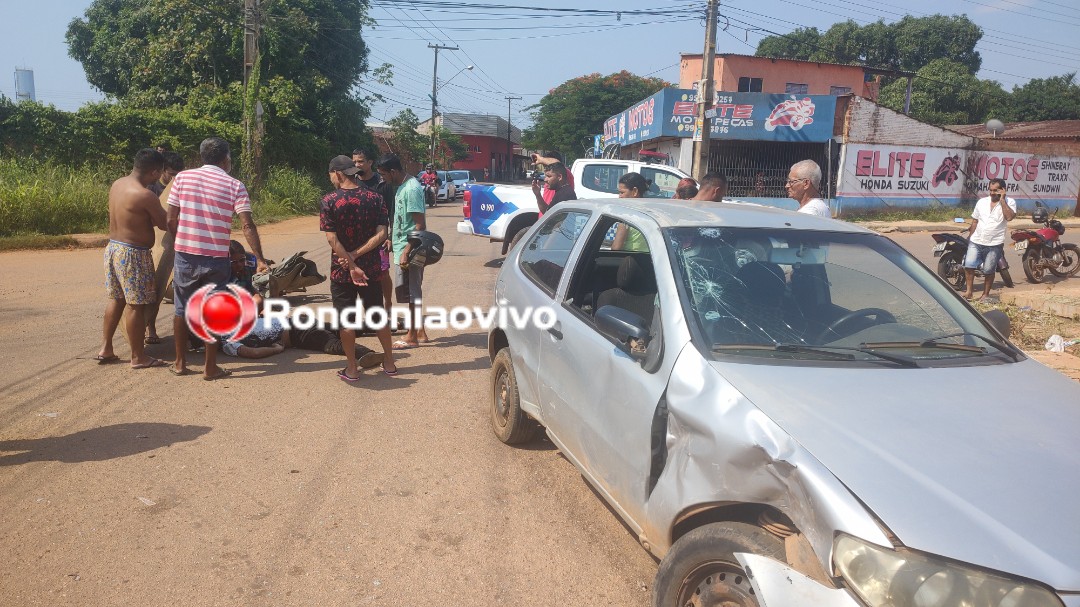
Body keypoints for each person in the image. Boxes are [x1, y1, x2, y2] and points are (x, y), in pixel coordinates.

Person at [167, 136, 269, 380]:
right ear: (226, 159)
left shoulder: (182, 178)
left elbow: (171, 219)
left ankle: (180, 363)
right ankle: (210, 367)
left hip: (185, 255)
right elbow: (247, 226)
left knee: (181, 309)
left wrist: (182, 239)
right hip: (216, 257)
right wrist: (260, 258)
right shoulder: (235, 185)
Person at [320, 155, 397, 381]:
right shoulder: (374, 198)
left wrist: (350, 261)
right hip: (371, 269)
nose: (331, 179)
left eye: (331, 175)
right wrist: (357, 257)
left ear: (338, 174)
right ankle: (390, 363)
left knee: (346, 320)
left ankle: (352, 368)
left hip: (342, 270)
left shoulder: (329, 200)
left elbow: (332, 239)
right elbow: (382, 234)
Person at [96, 148, 168, 369]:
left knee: (116, 299)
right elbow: (164, 224)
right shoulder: (145, 195)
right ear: (155, 172)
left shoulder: (118, 184)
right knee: (136, 306)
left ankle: (106, 348)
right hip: (133, 254)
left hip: (113, 248)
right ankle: (138, 357)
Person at [377, 154, 429, 349]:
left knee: (412, 291)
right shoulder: (400, 187)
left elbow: (419, 224)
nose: (383, 179)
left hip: (411, 249)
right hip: (401, 246)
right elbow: (400, 219)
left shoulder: (412, 189)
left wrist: (407, 249)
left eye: (384, 175)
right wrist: (391, 238)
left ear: (393, 171)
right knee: (408, 291)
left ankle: (412, 336)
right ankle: (419, 332)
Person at [144, 151, 185, 344]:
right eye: (171, 173)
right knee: (155, 286)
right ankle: (150, 328)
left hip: (177, 243)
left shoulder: (181, 186)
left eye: (178, 174)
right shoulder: (151, 189)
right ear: (162, 171)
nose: (174, 178)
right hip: (157, 244)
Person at [354, 147, 396, 312]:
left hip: (380, 237)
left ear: (370, 163)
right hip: (358, 239)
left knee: (383, 273)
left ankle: (388, 305)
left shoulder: (382, 183)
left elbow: (392, 211)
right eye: (355, 161)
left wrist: (391, 236)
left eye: (361, 161)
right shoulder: (353, 182)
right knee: (359, 273)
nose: (357, 164)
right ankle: (366, 309)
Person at [963, 178, 1017, 301]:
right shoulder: (981, 202)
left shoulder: (1010, 202)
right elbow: (975, 220)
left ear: (1003, 190)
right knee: (969, 266)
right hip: (976, 241)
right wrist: (970, 237)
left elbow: (1009, 217)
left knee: (988, 270)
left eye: (996, 190)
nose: (992, 193)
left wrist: (1002, 200)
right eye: (990, 190)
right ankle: (969, 292)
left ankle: (985, 295)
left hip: (994, 243)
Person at [612, 172, 650, 252]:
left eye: (622, 192)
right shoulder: (650, 212)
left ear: (635, 191)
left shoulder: (626, 216)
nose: (619, 196)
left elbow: (616, 248)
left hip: (630, 260)